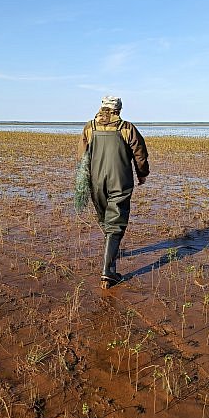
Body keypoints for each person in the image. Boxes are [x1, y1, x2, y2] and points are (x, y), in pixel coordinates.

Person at [78, 96, 150, 288]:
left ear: (102, 108)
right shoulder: (127, 128)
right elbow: (140, 153)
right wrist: (142, 174)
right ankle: (108, 272)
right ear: (118, 110)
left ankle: (109, 252)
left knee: (105, 219)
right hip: (120, 181)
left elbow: (83, 156)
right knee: (115, 222)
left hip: (95, 182)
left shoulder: (89, 127)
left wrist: (84, 181)